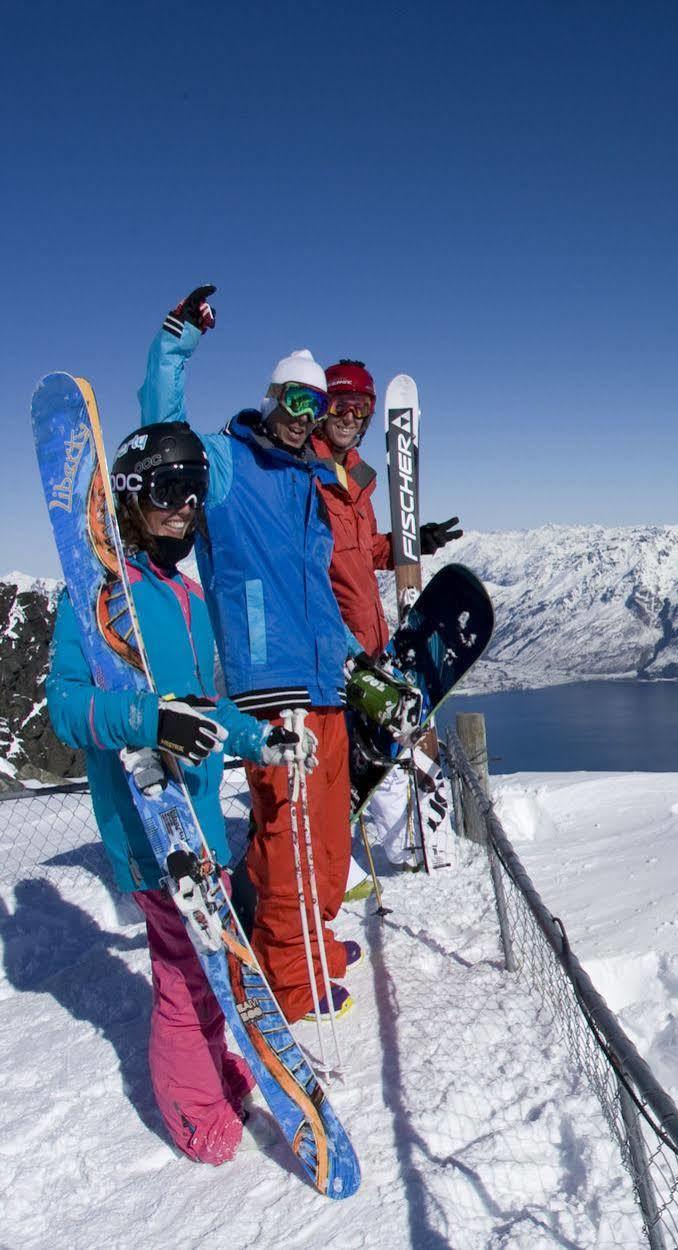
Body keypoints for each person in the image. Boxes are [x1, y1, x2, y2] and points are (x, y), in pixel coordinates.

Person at [45, 420, 313, 1166]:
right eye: (166, 489)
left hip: (195, 818)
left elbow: (200, 705)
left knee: (210, 963)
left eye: (193, 493)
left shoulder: (184, 595)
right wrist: (145, 716)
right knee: (183, 967)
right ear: (131, 494)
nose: (182, 507)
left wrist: (261, 738)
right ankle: (194, 1112)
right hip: (147, 823)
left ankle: (217, 1070)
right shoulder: (98, 597)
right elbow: (67, 705)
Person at [139, 286, 363, 1023]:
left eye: (315, 405)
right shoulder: (228, 465)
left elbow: (320, 592)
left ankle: (314, 945)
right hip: (269, 686)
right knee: (289, 841)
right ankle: (286, 980)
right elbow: (162, 428)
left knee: (329, 836)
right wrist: (176, 344)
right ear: (271, 400)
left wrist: (351, 661)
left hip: (324, 682)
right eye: (294, 403)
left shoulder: (307, 483)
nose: (304, 419)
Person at [309, 359, 461, 655]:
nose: (349, 417)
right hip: (332, 648)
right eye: (340, 406)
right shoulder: (305, 477)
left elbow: (367, 551)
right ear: (322, 410)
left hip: (369, 644)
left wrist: (412, 542)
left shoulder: (356, 481)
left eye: (360, 408)